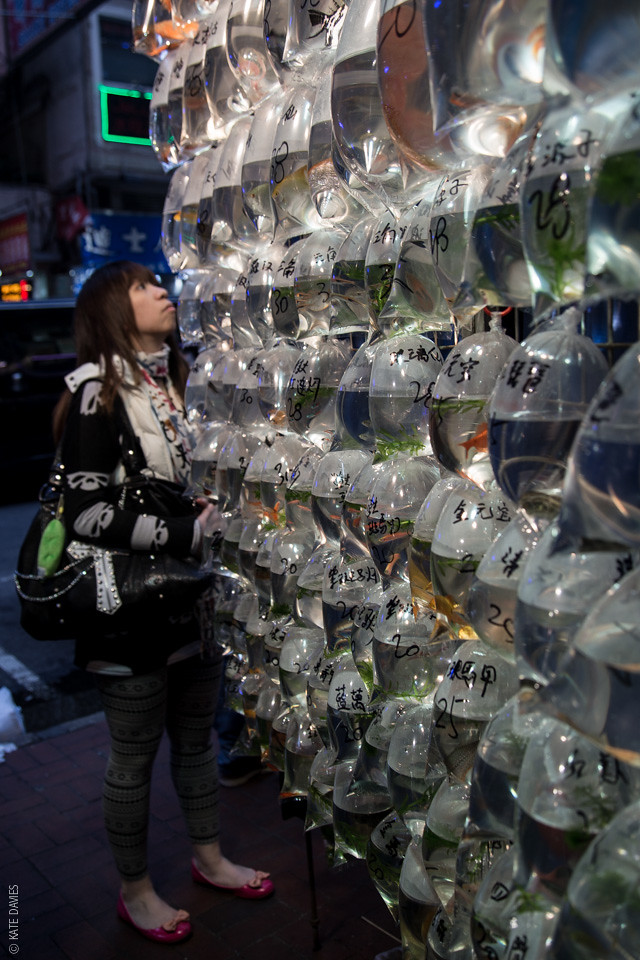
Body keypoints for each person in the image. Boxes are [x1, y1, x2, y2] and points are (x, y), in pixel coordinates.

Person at [52, 260, 273, 945]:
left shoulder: (179, 381)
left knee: (198, 744)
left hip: (195, 598)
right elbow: (82, 511)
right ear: (113, 308)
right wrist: (180, 530)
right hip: (129, 612)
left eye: (159, 281)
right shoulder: (97, 392)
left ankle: (209, 859)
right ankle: (137, 891)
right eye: (144, 286)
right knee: (134, 753)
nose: (162, 292)